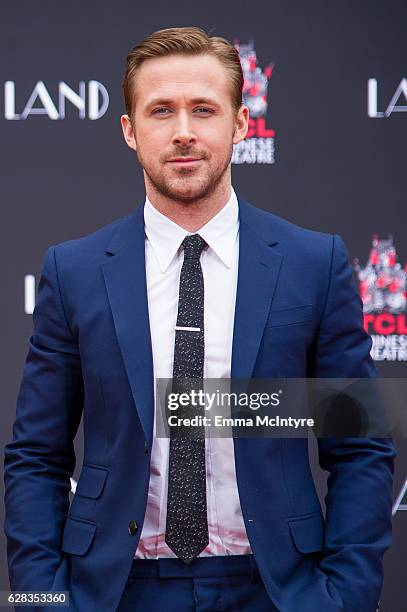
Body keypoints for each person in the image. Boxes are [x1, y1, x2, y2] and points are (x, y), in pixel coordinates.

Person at [4, 26, 395, 612]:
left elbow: (359, 443)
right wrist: (43, 601)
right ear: (130, 131)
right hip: (113, 592)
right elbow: (37, 455)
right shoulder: (75, 270)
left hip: (278, 590)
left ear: (239, 123)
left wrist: (343, 597)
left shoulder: (315, 264)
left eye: (203, 110)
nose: (183, 131)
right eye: (161, 111)